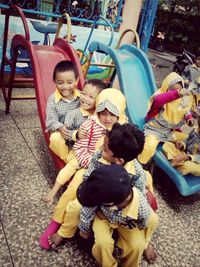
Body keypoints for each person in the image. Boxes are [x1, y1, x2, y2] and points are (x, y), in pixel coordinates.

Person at [45, 123, 157, 255]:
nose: (99, 148)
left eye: (105, 149)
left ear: (119, 160)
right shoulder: (98, 157)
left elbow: (138, 199)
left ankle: (144, 243)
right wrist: (97, 210)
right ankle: (64, 232)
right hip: (97, 200)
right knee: (74, 207)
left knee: (151, 220)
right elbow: (88, 179)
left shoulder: (137, 172)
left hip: (121, 209)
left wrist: (114, 213)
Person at [39, 88, 128, 249]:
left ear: (119, 113)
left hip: (110, 172)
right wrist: (90, 163)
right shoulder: (90, 125)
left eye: (112, 114)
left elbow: (127, 153)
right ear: (98, 110)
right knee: (72, 191)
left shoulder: (122, 128)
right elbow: (80, 148)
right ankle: (56, 221)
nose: (107, 118)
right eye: (103, 112)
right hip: (87, 166)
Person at [77, 164, 159, 267]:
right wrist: (84, 230)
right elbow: (88, 208)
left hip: (126, 222)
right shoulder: (105, 187)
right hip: (103, 217)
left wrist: (141, 238)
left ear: (112, 204)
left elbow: (143, 223)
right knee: (102, 244)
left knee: (138, 245)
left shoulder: (141, 207)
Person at [44, 78, 106, 203]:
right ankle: (54, 190)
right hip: (77, 148)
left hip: (94, 151)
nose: (85, 98)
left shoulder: (100, 116)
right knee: (71, 166)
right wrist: (76, 134)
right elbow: (66, 133)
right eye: (83, 93)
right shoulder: (73, 113)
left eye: (91, 97)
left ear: (99, 101)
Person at [138, 72, 194, 168]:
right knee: (150, 145)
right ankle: (140, 164)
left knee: (188, 138)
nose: (176, 92)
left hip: (169, 132)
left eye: (179, 89)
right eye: (172, 90)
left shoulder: (180, 101)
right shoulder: (160, 97)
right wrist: (176, 93)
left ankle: (189, 158)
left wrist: (189, 118)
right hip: (155, 129)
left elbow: (185, 110)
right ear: (166, 88)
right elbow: (159, 100)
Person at [46, 60, 80, 163]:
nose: (65, 87)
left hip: (77, 133)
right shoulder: (52, 100)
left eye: (69, 82)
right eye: (60, 83)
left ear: (76, 81)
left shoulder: (80, 97)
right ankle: (69, 160)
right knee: (55, 138)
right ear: (54, 81)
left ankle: (80, 156)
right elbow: (51, 121)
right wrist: (60, 128)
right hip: (61, 134)